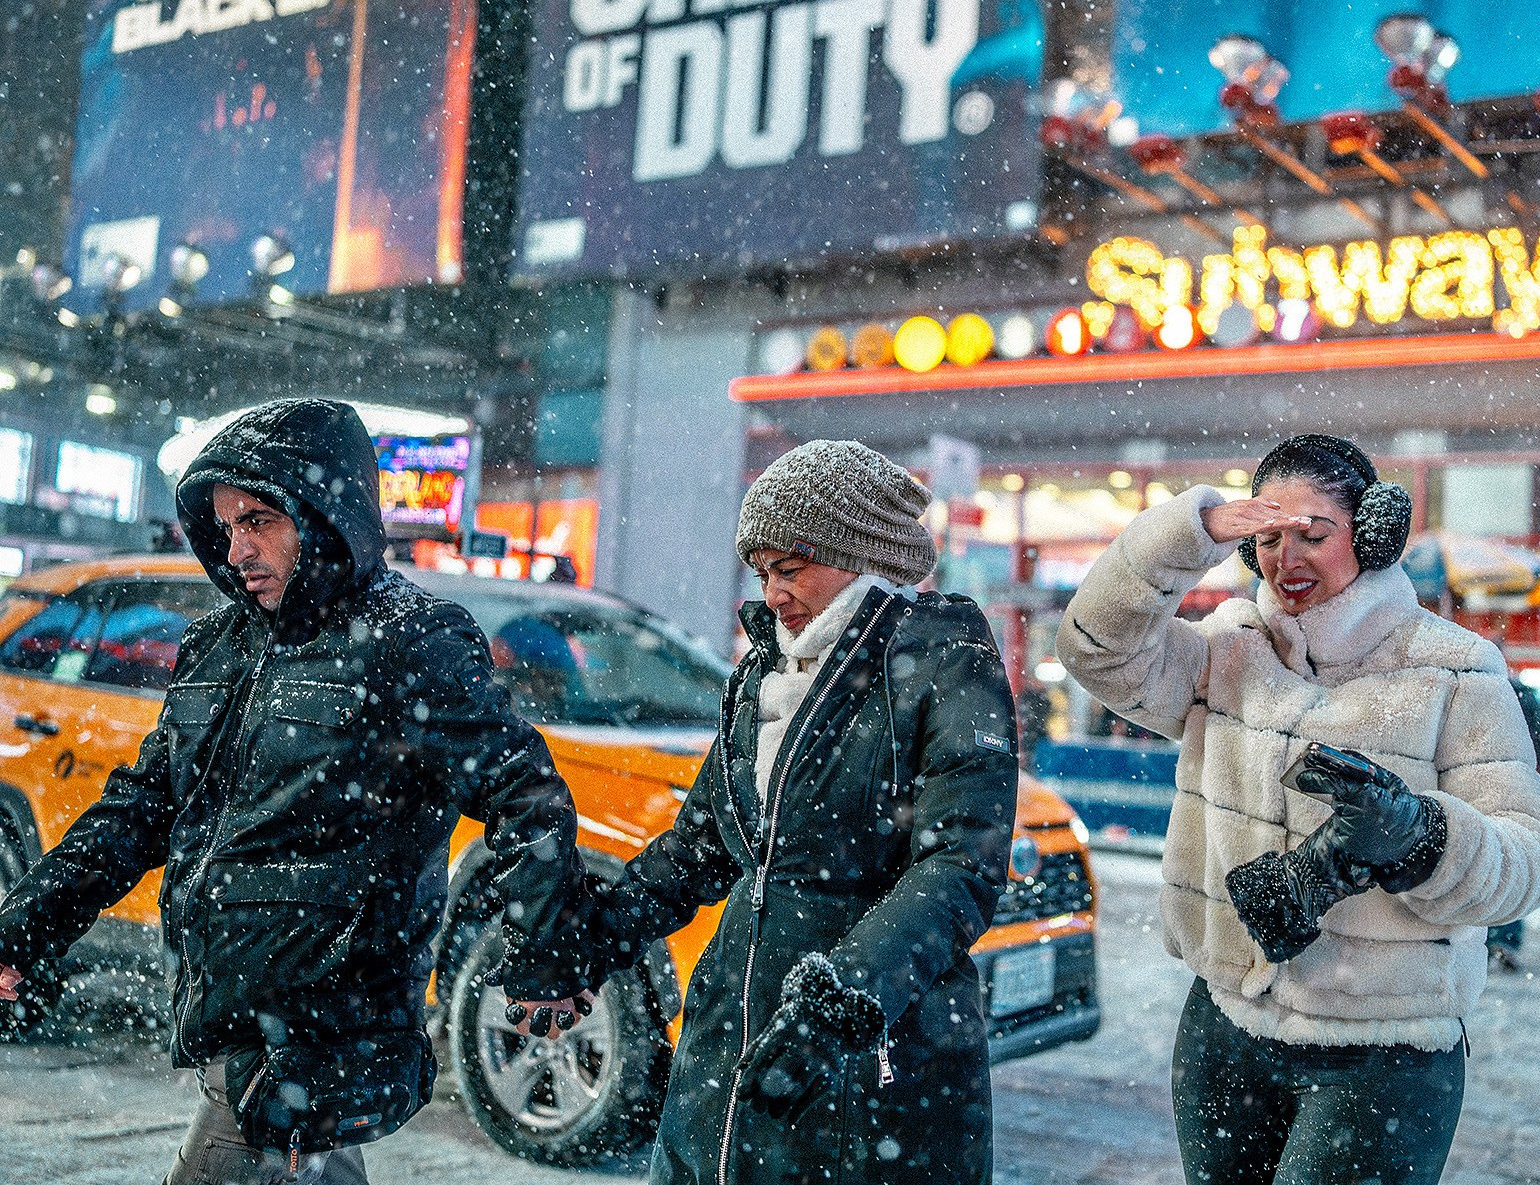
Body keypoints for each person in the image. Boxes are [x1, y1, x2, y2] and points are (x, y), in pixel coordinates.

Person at [0, 399, 597, 1185]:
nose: (237, 547)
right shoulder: (217, 643)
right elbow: (143, 805)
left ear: (324, 511)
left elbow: (528, 797)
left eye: (258, 520)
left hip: (316, 1038)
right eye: (225, 525)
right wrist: (26, 923)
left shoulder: (407, 640)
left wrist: (546, 955)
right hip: (236, 1017)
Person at [1057, 434, 1540, 1185]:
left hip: (1385, 1054)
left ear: (1374, 533)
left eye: (1313, 535)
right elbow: (1092, 647)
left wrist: (1420, 838)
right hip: (1223, 1030)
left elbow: (1531, 860)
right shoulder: (1223, 649)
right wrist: (1189, 530)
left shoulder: (1457, 668)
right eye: (1266, 539)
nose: (1287, 558)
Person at [588, 440, 1018, 1185]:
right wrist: (586, 936)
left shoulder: (944, 661)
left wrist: (839, 999)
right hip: (730, 1046)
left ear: (862, 555)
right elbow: (702, 848)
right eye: (762, 574)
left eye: (790, 569)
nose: (773, 594)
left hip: (870, 1058)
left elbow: (960, 867)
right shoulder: (761, 676)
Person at [1486, 676, 1540, 971]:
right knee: (1511, 863)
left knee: (1489, 862)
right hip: (1516, 788)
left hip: (1482, 788)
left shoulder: (1479, 690)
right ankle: (1504, 936)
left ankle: (1489, 937)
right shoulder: (1523, 698)